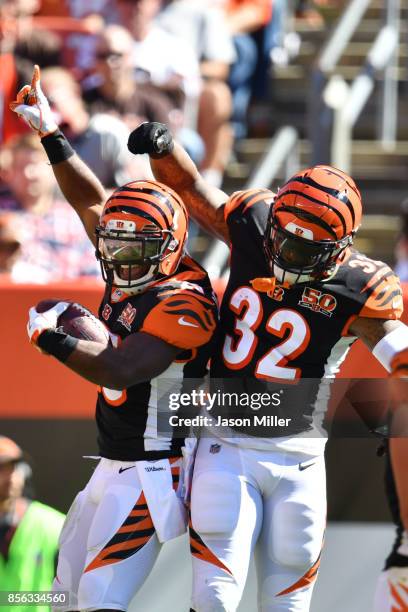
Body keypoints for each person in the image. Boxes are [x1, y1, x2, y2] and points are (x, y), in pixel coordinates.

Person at [125, 121, 408, 612]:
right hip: (227, 444)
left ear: (343, 248)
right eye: (284, 239)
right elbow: (190, 188)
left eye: (306, 249)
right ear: (274, 219)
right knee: (213, 599)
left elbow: (397, 352)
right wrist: (166, 149)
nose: (287, 255)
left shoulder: (360, 288)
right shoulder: (255, 223)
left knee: (287, 604)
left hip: (299, 455)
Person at [11, 66, 218, 612]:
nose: (118, 258)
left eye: (132, 247)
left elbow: (123, 368)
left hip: (154, 470)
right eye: (113, 244)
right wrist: (50, 135)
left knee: (101, 597)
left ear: (169, 246)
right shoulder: (134, 256)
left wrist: (53, 342)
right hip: (113, 462)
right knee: (62, 595)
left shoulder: (183, 301)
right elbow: (90, 203)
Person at [0, 436, 65, 612]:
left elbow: (71, 597)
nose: (12, 475)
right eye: (2, 468)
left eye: (15, 467)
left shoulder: (55, 525)